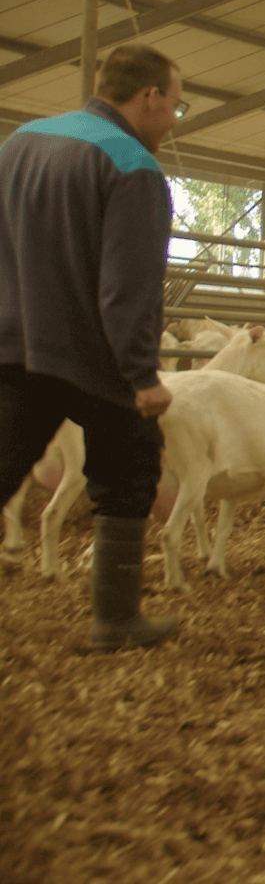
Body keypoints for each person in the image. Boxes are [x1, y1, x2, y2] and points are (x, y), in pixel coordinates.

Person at [0, 43, 184, 652]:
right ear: (149, 96)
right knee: (131, 464)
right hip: (86, 352)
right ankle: (115, 621)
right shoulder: (133, 167)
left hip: (10, 342)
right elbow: (127, 287)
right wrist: (142, 375)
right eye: (174, 108)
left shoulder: (21, 142)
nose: (173, 121)